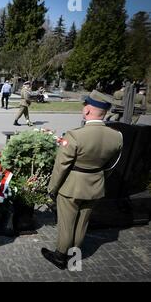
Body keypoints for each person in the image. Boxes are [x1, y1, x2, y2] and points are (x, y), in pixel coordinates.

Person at [41, 90, 123, 270]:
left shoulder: (75, 135)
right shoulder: (117, 136)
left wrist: (52, 188)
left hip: (72, 187)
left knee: (66, 223)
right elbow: (111, 166)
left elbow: (61, 166)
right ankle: (74, 256)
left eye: (84, 106)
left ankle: (60, 257)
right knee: (82, 223)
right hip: (95, 185)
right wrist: (98, 178)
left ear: (87, 111)